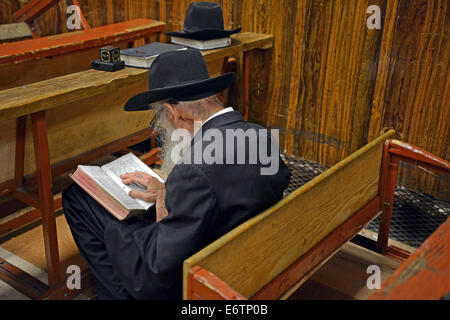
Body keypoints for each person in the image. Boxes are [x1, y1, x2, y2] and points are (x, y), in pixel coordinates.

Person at [62, 49, 291, 299]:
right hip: (243, 254)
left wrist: (125, 223)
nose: (161, 126)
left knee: (79, 199)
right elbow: (227, 188)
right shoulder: (261, 137)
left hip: (196, 276)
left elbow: (157, 268)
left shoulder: (193, 170)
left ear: (173, 112)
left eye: (158, 116)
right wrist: (166, 191)